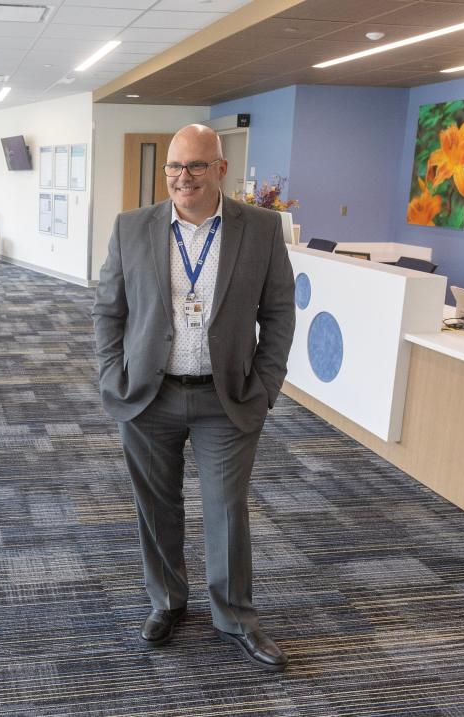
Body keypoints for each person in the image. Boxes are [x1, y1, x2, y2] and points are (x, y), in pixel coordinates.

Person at [91, 124, 295, 672]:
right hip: (148, 395)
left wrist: (266, 387)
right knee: (155, 506)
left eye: (196, 166)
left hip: (225, 399)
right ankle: (167, 602)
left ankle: (235, 616)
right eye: (174, 167)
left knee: (227, 510)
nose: (183, 177)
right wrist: (113, 375)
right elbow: (108, 309)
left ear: (221, 169)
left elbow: (278, 314)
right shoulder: (132, 227)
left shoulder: (261, 228)